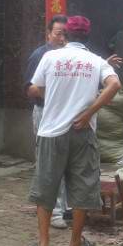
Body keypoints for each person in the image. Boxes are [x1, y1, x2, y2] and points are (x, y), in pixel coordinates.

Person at [28, 16, 121, 246]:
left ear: (66, 35)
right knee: (82, 187)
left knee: (46, 186)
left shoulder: (50, 57)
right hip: (83, 130)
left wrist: (56, 94)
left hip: (51, 132)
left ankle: (44, 244)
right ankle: (75, 242)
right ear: (88, 36)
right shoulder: (96, 61)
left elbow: (34, 88)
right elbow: (114, 85)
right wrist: (89, 111)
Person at [24, 14, 69, 229]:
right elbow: (30, 89)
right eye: (58, 33)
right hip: (45, 114)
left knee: (67, 160)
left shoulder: (70, 55)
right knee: (49, 162)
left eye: (65, 34)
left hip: (66, 115)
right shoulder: (40, 55)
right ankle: (53, 211)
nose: (62, 38)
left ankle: (64, 207)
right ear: (49, 34)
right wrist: (53, 93)